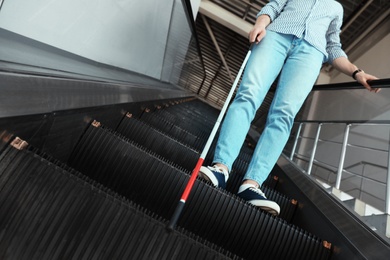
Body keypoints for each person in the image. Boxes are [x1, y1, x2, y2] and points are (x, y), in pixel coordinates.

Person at [198, 0, 380, 216]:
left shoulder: (336, 8)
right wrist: (261, 24)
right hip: (275, 36)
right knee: (248, 95)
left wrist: (357, 72)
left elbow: (333, 47)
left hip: (311, 54)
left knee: (284, 115)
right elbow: (273, 7)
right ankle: (221, 168)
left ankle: (252, 184)